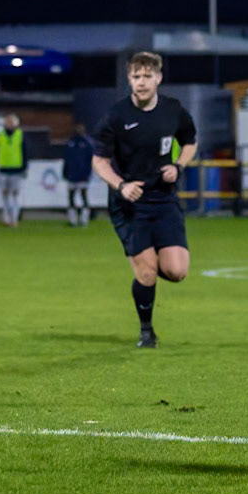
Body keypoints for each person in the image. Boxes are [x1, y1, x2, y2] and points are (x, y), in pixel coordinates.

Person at [91, 51, 196, 348]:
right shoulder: (115, 116)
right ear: (129, 79)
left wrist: (178, 166)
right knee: (147, 271)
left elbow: (190, 141)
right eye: (136, 77)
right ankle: (146, 330)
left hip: (163, 200)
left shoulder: (173, 110)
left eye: (147, 76)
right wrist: (120, 185)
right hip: (129, 204)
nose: (141, 82)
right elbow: (99, 162)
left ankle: (149, 266)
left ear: (158, 78)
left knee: (176, 271)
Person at [0, 113, 29, 226]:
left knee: (16, 195)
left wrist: (25, 167)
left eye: (11, 122)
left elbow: (25, 152)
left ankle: (14, 219)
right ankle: (6, 217)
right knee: (5, 195)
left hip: (17, 170)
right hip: (3, 170)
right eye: (7, 122)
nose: (9, 124)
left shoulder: (20, 135)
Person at [61, 123, 94, 226]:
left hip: (83, 175)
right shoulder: (71, 143)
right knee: (71, 198)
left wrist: (88, 173)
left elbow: (91, 161)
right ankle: (73, 220)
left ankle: (84, 220)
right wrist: (65, 172)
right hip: (71, 175)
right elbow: (66, 159)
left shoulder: (87, 143)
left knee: (84, 197)